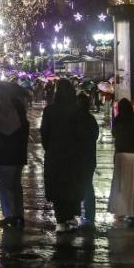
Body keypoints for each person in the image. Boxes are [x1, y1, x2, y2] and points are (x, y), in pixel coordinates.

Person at [40, 79, 93, 233]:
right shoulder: (76, 110)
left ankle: (61, 219)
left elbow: (45, 134)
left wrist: (50, 148)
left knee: (58, 187)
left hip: (55, 154)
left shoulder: (50, 111)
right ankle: (71, 215)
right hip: (73, 155)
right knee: (71, 185)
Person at [108, 98, 134, 226]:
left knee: (124, 185)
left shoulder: (118, 121)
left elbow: (115, 134)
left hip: (122, 156)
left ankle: (129, 212)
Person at [0, 95, 28, 229]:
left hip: (6, 157)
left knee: (5, 187)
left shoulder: (6, 122)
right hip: (18, 157)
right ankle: (19, 214)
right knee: (15, 186)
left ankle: (10, 215)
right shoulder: (23, 121)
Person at [77, 92, 100, 228]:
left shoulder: (75, 119)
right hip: (89, 158)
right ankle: (89, 214)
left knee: (79, 185)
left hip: (78, 158)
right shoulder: (91, 119)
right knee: (88, 185)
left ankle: (78, 213)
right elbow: (95, 136)